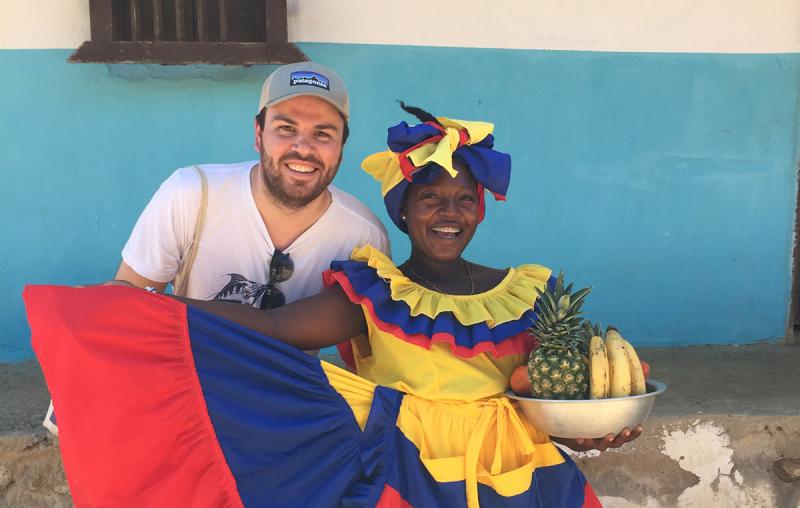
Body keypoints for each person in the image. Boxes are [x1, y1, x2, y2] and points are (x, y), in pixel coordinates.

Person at [25, 105, 641, 507]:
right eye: (430, 198)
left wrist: (595, 431)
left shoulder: (527, 293)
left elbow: (552, 391)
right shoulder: (374, 292)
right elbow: (271, 327)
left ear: (481, 209)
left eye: (464, 199)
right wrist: (142, 311)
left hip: (520, 474)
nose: (448, 213)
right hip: (404, 468)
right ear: (403, 211)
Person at [115, 61, 389, 308]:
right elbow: (127, 308)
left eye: (323, 134)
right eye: (286, 128)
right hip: (186, 363)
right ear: (258, 135)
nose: (303, 149)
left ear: (341, 148)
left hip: (292, 368)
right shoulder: (191, 194)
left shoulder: (363, 238)